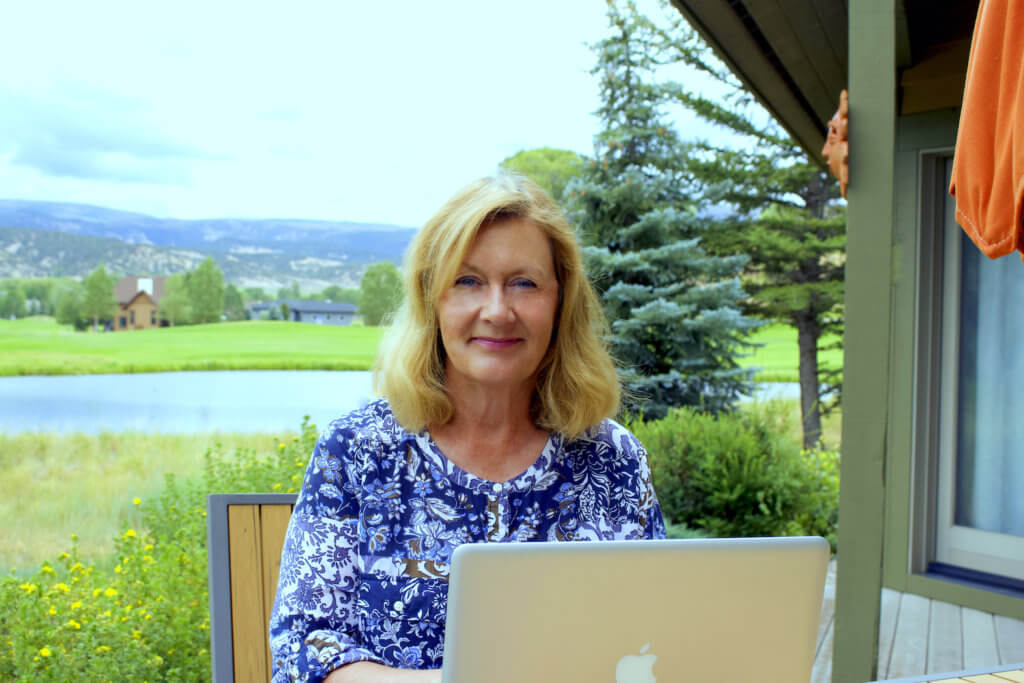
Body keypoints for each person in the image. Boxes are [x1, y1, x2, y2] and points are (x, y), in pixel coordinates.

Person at [269, 173, 667, 682]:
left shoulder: (613, 458)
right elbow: (304, 650)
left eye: (524, 283)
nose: (497, 310)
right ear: (431, 300)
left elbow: (656, 636)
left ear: (560, 303)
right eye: (468, 281)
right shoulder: (359, 451)